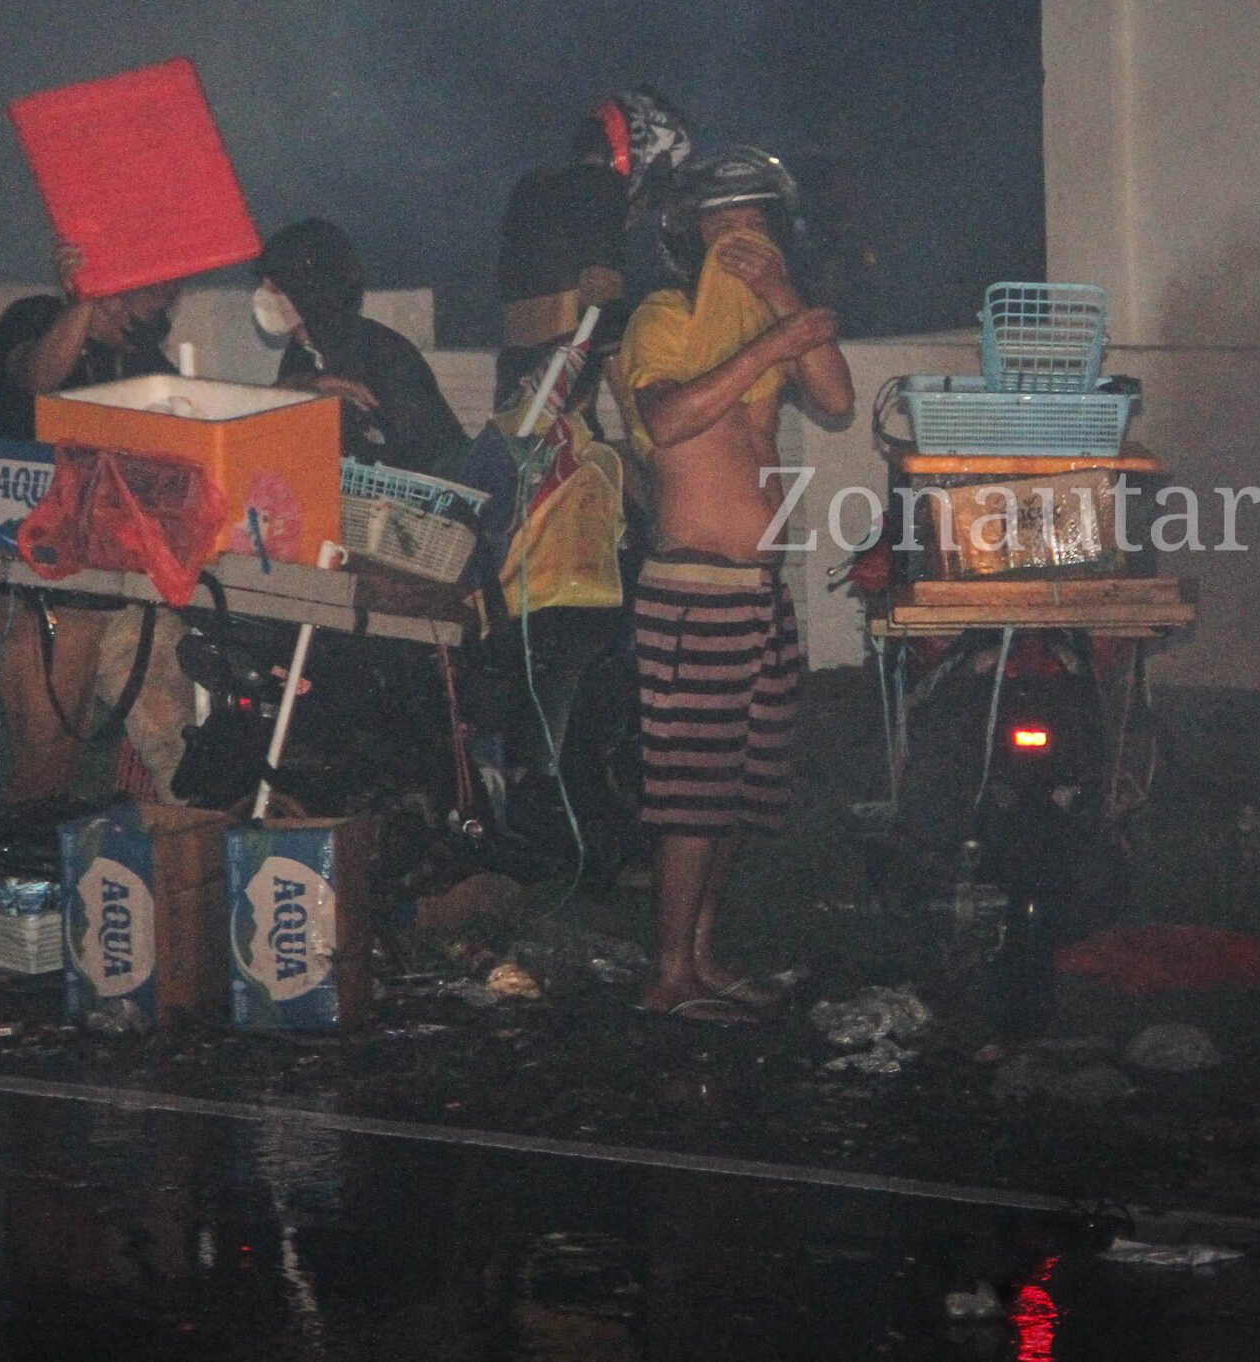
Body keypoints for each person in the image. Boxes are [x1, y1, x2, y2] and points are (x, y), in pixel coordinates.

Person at [613, 148, 854, 1022]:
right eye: (722, 222)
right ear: (691, 235)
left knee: (734, 793)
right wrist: (773, 341)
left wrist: (787, 311)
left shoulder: (769, 319)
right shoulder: (665, 316)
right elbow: (670, 420)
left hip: (757, 591)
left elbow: (837, 397)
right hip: (691, 588)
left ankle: (703, 959)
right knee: (690, 791)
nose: (739, 239)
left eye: (754, 220)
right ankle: (668, 974)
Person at [0, 242, 195, 810]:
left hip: (123, 578)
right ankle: (30, 865)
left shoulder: (142, 357)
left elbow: (197, 422)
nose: (160, 307)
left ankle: (193, 850)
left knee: (173, 730)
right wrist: (84, 303)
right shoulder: (32, 320)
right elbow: (36, 378)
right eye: (153, 292)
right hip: (45, 577)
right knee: (47, 749)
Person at [494, 88, 694, 414]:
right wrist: (638, 423)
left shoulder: (532, 189)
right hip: (559, 412)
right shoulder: (601, 189)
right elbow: (604, 316)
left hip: (517, 394)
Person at [255, 218, 467, 477]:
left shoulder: (384, 354)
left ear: (309, 293)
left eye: (275, 289)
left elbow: (430, 459)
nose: (263, 298)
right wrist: (310, 386)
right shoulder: (301, 352)